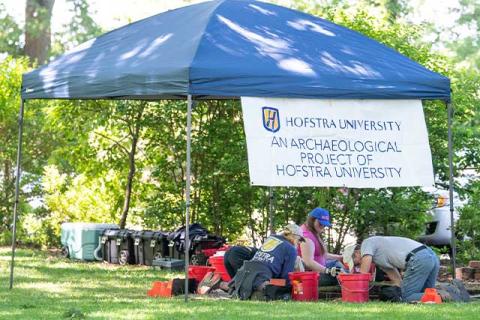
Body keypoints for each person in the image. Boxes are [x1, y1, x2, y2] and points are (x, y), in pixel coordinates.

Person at [342, 236, 440, 302]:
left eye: (355, 263)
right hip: (430, 255)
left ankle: (442, 295)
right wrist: (400, 289)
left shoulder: (367, 243)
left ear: (356, 253)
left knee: (405, 297)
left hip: (418, 258)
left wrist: (356, 288)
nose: (358, 265)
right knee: (425, 294)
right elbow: (397, 280)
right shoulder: (380, 259)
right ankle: (445, 293)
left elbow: (364, 269)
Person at [230, 223, 305, 300]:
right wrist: (298, 286)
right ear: (293, 236)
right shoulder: (291, 249)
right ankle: (298, 295)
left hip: (242, 272)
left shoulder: (271, 238)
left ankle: (225, 285)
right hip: (261, 278)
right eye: (300, 240)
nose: (300, 243)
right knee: (291, 282)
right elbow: (286, 277)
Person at [297, 207, 345, 285]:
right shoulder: (306, 237)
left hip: (321, 269)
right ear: (312, 220)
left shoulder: (313, 231)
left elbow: (323, 255)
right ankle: (350, 282)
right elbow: (308, 262)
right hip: (311, 277)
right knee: (339, 276)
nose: (322, 226)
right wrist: (328, 271)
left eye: (324, 224)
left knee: (336, 263)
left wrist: (340, 257)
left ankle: (350, 279)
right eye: (320, 223)